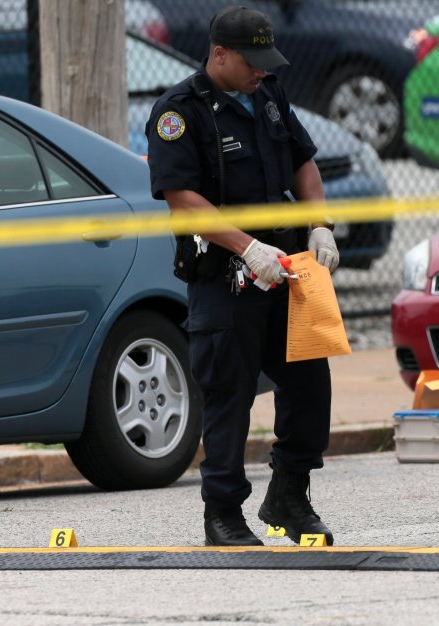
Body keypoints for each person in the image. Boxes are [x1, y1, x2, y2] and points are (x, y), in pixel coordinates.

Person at [145, 5, 339, 547]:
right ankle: (224, 514)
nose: (260, 71)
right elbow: (183, 199)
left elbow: (303, 161)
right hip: (226, 271)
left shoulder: (269, 94)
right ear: (219, 55)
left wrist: (318, 224)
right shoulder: (178, 112)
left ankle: (290, 497)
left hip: (288, 266)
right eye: (250, 62)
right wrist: (246, 246)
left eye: (265, 62)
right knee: (229, 393)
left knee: (309, 385)